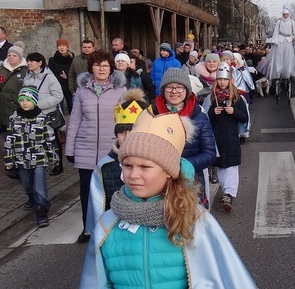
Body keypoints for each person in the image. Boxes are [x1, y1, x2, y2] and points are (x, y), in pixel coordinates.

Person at [77, 110, 258, 289]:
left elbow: (209, 286)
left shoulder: (192, 220)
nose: (132, 175)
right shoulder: (108, 223)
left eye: (145, 167)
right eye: (127, 165)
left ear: (168, 171)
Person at [66, 51, 126, 243]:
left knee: (112, 190)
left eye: (106, 65)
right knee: (86, 191)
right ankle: (88, 228)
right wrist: (69, 149)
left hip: (111, 150)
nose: (102, 68)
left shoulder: (120, 91)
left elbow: (125, 122)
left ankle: (111, 227)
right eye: (97, 65)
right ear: (91, 67)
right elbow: (74, 121)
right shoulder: (82, 92)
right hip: (85, 147)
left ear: (111, 68)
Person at [150, 68, 217, 207]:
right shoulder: (151, 115)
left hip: (191, 181)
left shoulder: (200, 117)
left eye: (179, 87)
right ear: (163, 90)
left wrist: (183, 166)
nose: (174, 91)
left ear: (187, 90)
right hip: (158, 183)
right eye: (169, 87)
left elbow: (209, 153)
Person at [87, 88, 149, 231]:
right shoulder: (104, 166)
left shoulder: (156, 163)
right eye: (121, 132)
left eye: (132, 131)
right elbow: (98, 206)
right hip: (115, 230)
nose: (127, 137)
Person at [3, 87, 58, 227]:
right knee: (27, 183)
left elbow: (50, 139)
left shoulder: (42, 119)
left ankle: (41, 211)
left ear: (34, 101)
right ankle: (31, 197)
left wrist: (53, 158)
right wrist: (8, 160)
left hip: (39, 158)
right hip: (21, 159)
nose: (25, 103)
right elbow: (9, 140)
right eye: (22, 100)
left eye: (28, 100)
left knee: (39, 185)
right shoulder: (14, 119)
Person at [207, 63, 248, 212]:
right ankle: (226, 190)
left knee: (231, 165)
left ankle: (229, 193)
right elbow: (204, 116)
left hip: (231, 137)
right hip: (216, 136)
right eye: (219, 80)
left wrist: (234, 112)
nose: (222, 82)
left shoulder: (237, 97)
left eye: (225, 79)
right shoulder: (211, 98)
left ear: (229, 80)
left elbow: (244, 118)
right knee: (221, 165)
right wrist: (213, 112)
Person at [23, 52, 65, 176]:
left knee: (53, 141)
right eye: (28, 61)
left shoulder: (49, 77)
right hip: (32, 115)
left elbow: (58, 96)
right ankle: (39, 164)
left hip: (47, 114)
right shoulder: (27, 77)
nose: (29, 63)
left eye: (32, 61)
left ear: (40, 63)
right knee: (35, 140)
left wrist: (38, 105)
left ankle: (58, 164)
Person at [0, 45, 28, 130]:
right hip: (4, 104)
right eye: (9, 55)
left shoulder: (26, 71)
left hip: (18, 103)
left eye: (14, 56)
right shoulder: (1, 70)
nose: (11, 57)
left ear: (20, 57)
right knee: (6, 127)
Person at [267, 6, 295, 86]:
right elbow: (276, 31)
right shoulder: (279, 22)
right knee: (279, 56)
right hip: (280, 40)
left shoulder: (291, 21)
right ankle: (278, 71)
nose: (285, 16)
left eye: (286, 14)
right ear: (282, 14)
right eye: (284, 14)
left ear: (288, 14)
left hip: (288, 40)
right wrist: (274, 40)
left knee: (288, 56)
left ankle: (288, 71)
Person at [48, 39, 75, 113]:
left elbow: (74, 72)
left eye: (64, 46)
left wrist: (67, 76)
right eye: (59, 46)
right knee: (59, 110)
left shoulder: (72, 59)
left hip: (69, 87)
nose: (62, 48)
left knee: (73, 109)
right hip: (57, 87)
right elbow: (50, 74)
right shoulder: (53, 60)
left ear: (67, 47)